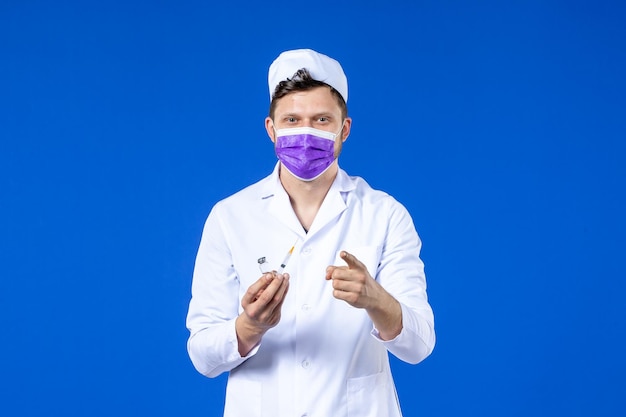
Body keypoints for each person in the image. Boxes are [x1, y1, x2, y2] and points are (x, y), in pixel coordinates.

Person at [186, 48, 435, 417]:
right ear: (271, 129)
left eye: (321, 119)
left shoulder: (385, 214)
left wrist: (376, 299)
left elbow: (419, 346)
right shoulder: (230, 216)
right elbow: (203, 356)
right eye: (291, 119)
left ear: (344, 129)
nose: (305, 133)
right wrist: (249, 326)